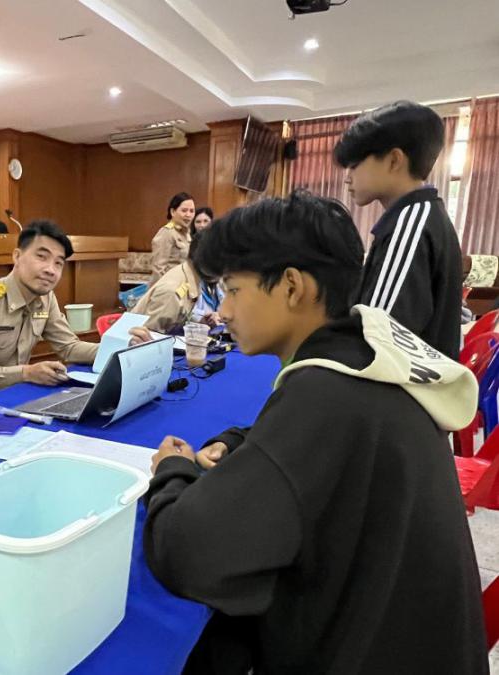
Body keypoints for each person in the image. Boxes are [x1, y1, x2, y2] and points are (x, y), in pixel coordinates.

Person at [143, 191, 485, 674]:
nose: (225, 311)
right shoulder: (362, 357)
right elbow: (300, 447)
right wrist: (239, 442)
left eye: (234, 290)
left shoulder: (325, 396)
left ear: (291, 286)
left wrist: (171, 472)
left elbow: (188, 555)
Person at [335, 100, 462, 359]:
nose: (347, 177)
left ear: (394, 160)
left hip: (404, 382)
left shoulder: (411, 223)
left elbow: (378, 339)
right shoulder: (421, 215)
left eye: (355, 164)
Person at [0, 220, 100, 398]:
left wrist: (119, 351)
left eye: (58, 263)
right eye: (41, 257)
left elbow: (69, 347)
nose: (51, 270)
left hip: (17, 397)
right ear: (17, 256)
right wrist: (25, 373)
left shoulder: (46, 298)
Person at [133, 233, 224, 333]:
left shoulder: (191, 277)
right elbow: (148, 336)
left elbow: (176, 319)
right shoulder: (172, 291)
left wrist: (200, 322)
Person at [149, 192, 195, 285]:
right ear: (173, 212)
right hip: (169, 288)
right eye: (184, 210)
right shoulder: (167, 233)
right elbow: (158, 269)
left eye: (191, 211)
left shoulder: (186, 234)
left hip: (182, 286)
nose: (188, 215)